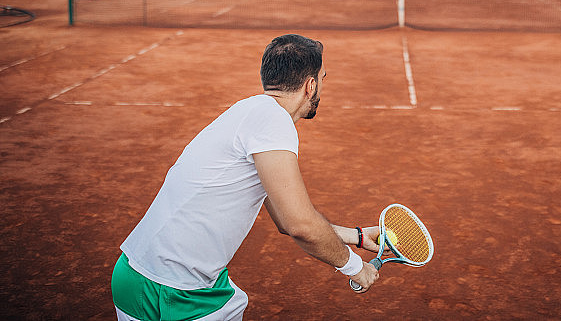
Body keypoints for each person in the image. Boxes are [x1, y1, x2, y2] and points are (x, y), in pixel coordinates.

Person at [111, 34, 381, 321]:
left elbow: (284, 221)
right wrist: (355, 267)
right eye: (323, 78)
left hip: (138, 276)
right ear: (310, 85)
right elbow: (300, 224)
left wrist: (358, 237)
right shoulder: (274, 122)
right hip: (172, 292)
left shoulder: (248, 111)